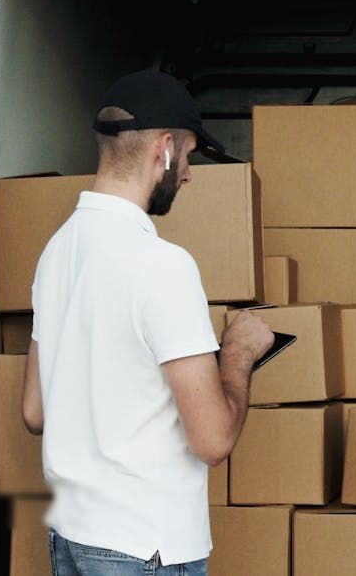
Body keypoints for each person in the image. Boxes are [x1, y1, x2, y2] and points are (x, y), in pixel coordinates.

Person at [19, 69, 273, 575]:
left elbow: (34, 411)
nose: (188, 173)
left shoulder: (57, 252)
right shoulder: (163, 266)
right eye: (189, 155)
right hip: (142, 548)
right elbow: (214, 441)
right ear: (164, 148)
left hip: (72, 538)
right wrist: (240, 353)